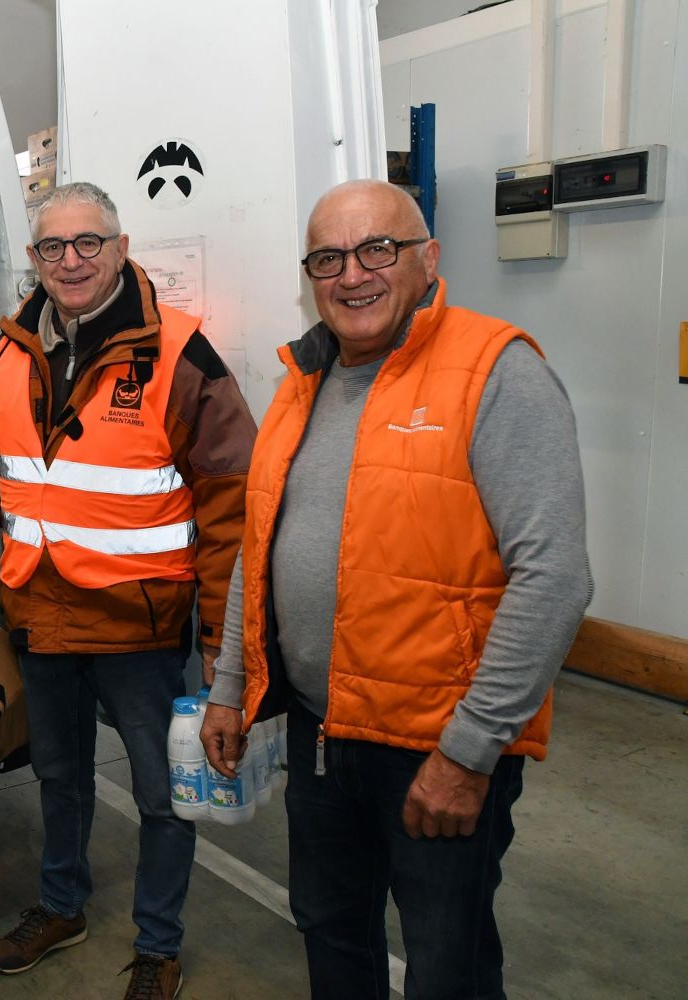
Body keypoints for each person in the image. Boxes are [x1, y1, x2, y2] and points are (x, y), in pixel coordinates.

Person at [200, 179, 592, 1000]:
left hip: (436, 745)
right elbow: (257, 551)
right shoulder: (301, 381)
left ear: (428, 259)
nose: (353, 275)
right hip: (319, 732)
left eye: (377, 249)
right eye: (328, 258)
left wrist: (470, 751)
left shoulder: (496, 372)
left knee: (447, 965)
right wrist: (231, 686)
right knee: (331, 931)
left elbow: (553, 579)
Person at [0, 181, 257, 999]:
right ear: (34, 258)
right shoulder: (8, 353)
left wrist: (227, 646)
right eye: (53, 246)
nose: (70, 261)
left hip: (139, 626)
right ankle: (61, 905)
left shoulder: (181, 356)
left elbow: (231, 506)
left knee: (162, 794)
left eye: (88, 243)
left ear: (120, 247)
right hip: (39, 615)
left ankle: (158, 944)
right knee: (59, 776)